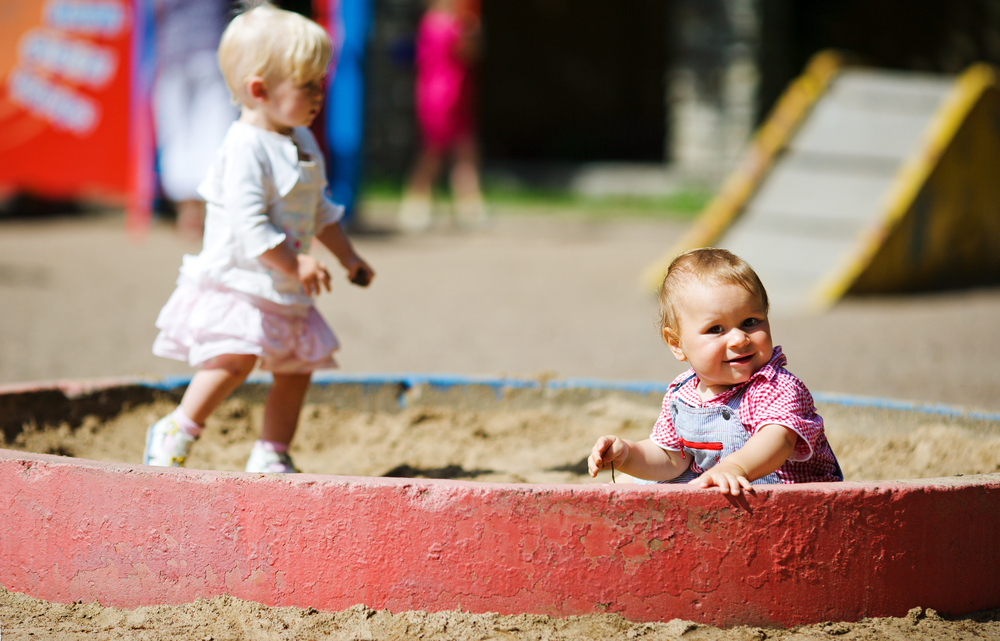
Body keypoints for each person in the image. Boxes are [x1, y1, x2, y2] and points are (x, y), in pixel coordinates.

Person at [144, 2, 375, 474]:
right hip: (243, 283)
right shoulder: (245, 149)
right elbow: (251, 228)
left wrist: (349, 257)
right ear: (259, 89)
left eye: (320, 82)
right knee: (235, 360)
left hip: (284, 288)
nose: (319, 94)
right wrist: (298, 264)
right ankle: (179, 427)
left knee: (296, 368)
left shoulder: (302, 140)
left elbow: (320, 212)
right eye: (307, 85)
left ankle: (272, 451)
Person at [588, 248, 842, 495]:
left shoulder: (775, 386)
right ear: (677, 344)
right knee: (636, 481)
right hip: (718, 492)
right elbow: (670, 458)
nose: (739, 339)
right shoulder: (683, 393)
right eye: (716, 329)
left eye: (750, 322)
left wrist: (735, 467)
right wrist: (628, 454)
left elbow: (778, 440)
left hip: (787, 499)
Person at [152, 0, 238, 241]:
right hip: (211, 48)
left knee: (177, 133)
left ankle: (188, 213)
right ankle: (208, 213)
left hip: (172, 50)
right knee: (214, 131)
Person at [397, 0, 485, 232]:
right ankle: (416, 201)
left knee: (465, 150)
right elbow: (466, 50)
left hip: (455, 93)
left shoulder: (447, 22)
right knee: (434, 152)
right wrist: (471, 30)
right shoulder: (441, 23)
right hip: (441, 96)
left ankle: (469, 205)